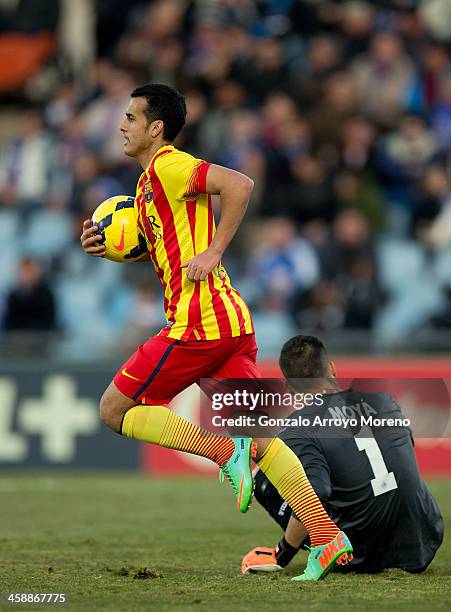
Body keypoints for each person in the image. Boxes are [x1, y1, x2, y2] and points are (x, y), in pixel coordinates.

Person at [80, 83, 352, 579]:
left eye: (130, 118)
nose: (121, 126)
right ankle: (329, 537)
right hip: (230, 320)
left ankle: (225, 454)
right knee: (263, 437)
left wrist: (216, 251)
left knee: (114, 409)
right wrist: (114, 247)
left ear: (155, 128)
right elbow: (163, 244)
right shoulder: (147, 185)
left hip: (198, 324)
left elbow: (240, 185)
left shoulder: (169, 164)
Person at [242, 335, 444, 578]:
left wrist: (281, 554)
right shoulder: (384, 401)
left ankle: (332, 546)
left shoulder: (298, 427)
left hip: (358, 554)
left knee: (265, 475)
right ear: (332, 368)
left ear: (288, 386)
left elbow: (315, 492)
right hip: (422, 541)